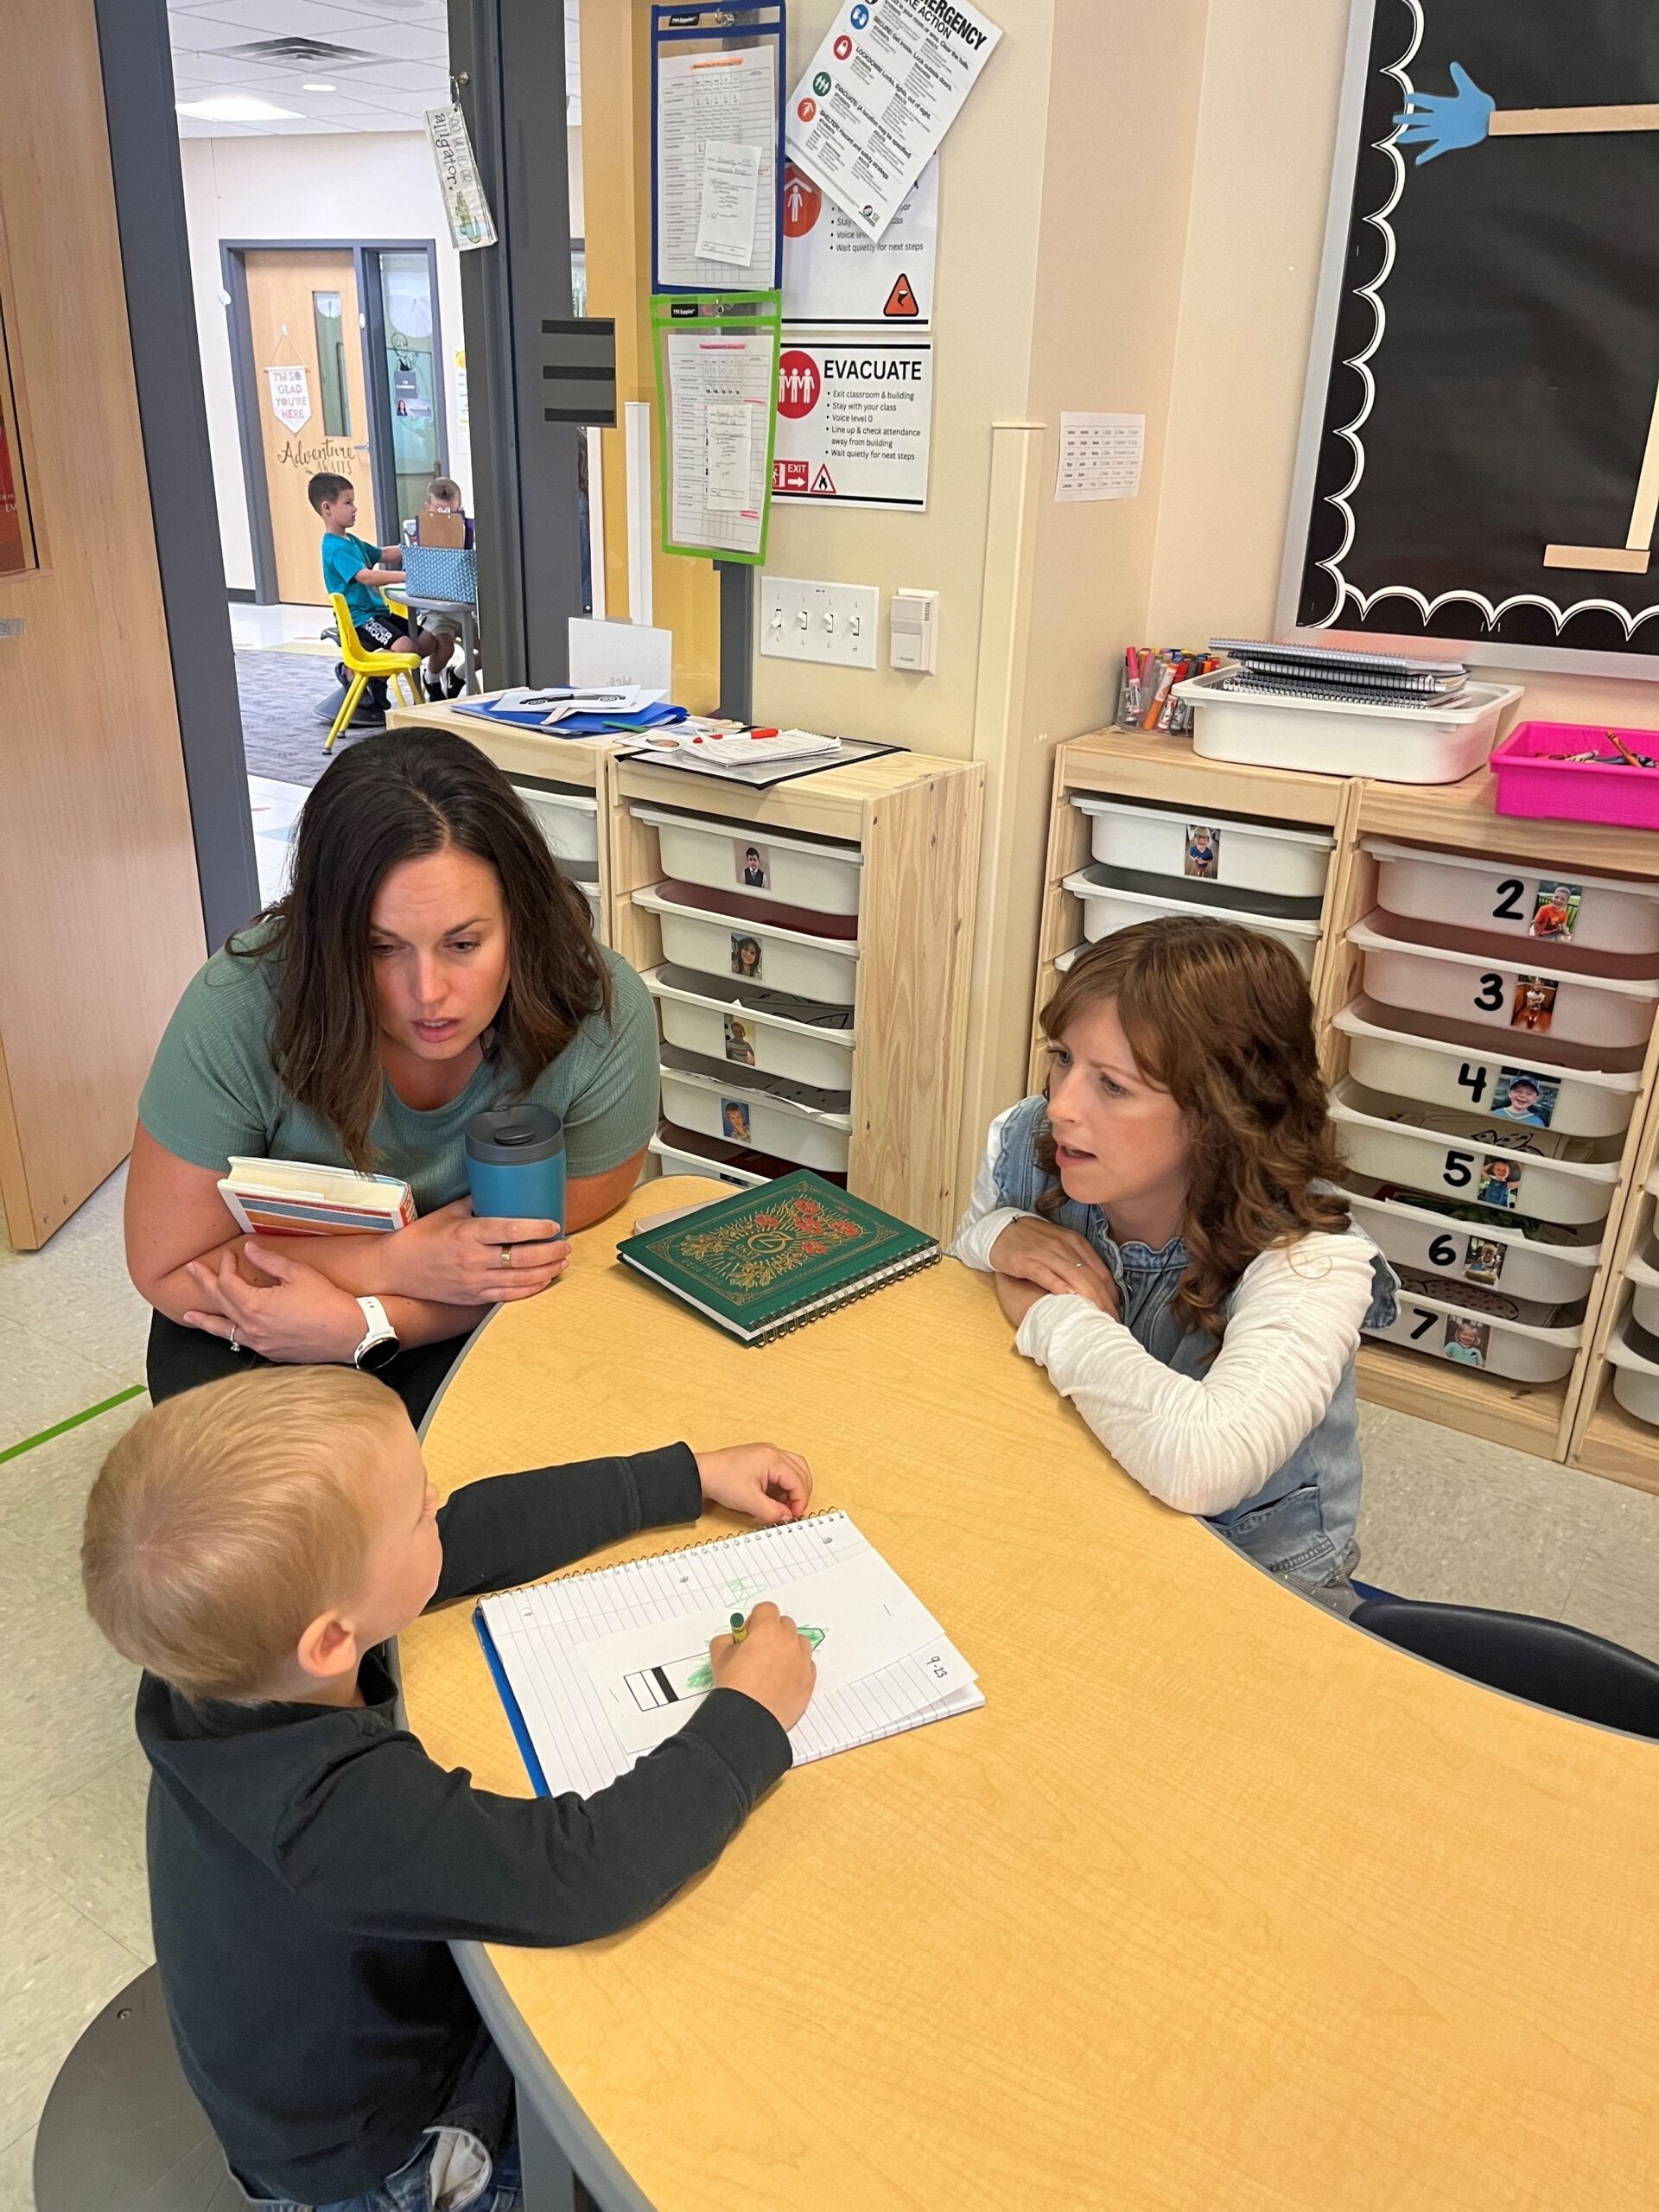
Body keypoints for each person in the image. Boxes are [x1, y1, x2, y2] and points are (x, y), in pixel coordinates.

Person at [80, 1364, 817, 2212]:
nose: (441, 1497)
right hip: (382, 2156)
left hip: (321, 2049)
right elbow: (578, 1875)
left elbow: (462, 1536)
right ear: (331, 1639)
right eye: (418, 1505)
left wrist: (685, 1475)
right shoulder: (329, 1810)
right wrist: (750, 1715)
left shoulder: (222, 1660)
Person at [125, 730, 659, 1424]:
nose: (428, 992)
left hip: (481, 1309)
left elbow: (554, 1260)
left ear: (521, 920)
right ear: (324, 938)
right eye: (380, 949)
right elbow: (171, 1265)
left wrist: (369, 1325)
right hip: (257, 1314)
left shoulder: (600, 1010)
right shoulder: (238, 1006)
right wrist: (391, 1266)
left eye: (464, 944)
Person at [952, 918, 1397, 1607]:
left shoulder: (1312, 1256)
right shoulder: (1030, 1135)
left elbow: (1202, 1461)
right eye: (1063, 1058)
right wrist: (999, 1235)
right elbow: (958, 1291)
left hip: (1250, 1581)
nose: (1062, 1106)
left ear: (1219, 1110)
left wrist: (1053, 1313)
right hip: (1068, 1514)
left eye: (1115, 1086)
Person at [309, 471, 452, 715]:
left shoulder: (350, 541)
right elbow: (366, 576)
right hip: (362, 619)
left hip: (379, 614)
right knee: (406, 647)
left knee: (429, 641)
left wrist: (417, 544)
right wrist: (410, 576)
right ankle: (353, 672)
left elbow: (384, 554)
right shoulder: (334, 548)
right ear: (327, 508)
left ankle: (374, 679)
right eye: (348, 502)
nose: (355, 508)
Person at [408, 475, 474, 701]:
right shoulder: (419, 535)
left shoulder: (467, 533)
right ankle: (432, 680)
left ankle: (457, 675)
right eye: (437, 511)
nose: (443, 518)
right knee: (445, 646)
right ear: (427, 509)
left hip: (464, 608)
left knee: (490, 651)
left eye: (450, 513)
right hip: (436, 609)